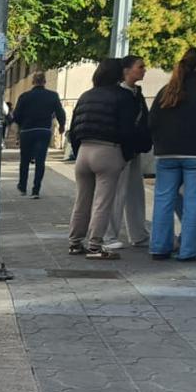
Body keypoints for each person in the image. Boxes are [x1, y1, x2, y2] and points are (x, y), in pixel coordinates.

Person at [67, 58, 141, 259]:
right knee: (103, 202)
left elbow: (73, 129)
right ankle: (95, 246)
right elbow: (127, 129)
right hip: (108, 151)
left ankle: (75, 242)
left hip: (84, 151)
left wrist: (77, 149)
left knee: (82, 200)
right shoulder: (123, 96)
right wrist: (126, 155)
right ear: (119, 74)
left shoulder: (85, 96)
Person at [148, 48, 196, 261]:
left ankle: (159, 248)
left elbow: (152, 122)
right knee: (193, 202)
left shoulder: (167, 90)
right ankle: (188, 250)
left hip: (166, 154)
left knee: (163, 200)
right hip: (194, 154)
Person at [104, 55, 153, 249]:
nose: (144, 70)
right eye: (140, 67)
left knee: (135, 191)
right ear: (126, 70)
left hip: (135, 148)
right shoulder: (119, 94)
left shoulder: (136, 93)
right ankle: (108, 235)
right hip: (121, 149)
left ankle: (138, 233)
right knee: (116, 192)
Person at [13, 71, 66, 198]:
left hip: (27, 131)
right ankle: (35, 190)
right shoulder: (52, 96)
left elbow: (16, 115)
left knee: (24, 160)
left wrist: (20, 126)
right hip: (43, 131)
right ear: (45, 82)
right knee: (40, 161)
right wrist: (62, 126)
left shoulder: (24, 96)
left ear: (32, 82)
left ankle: (22, 186)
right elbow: (60, 112)